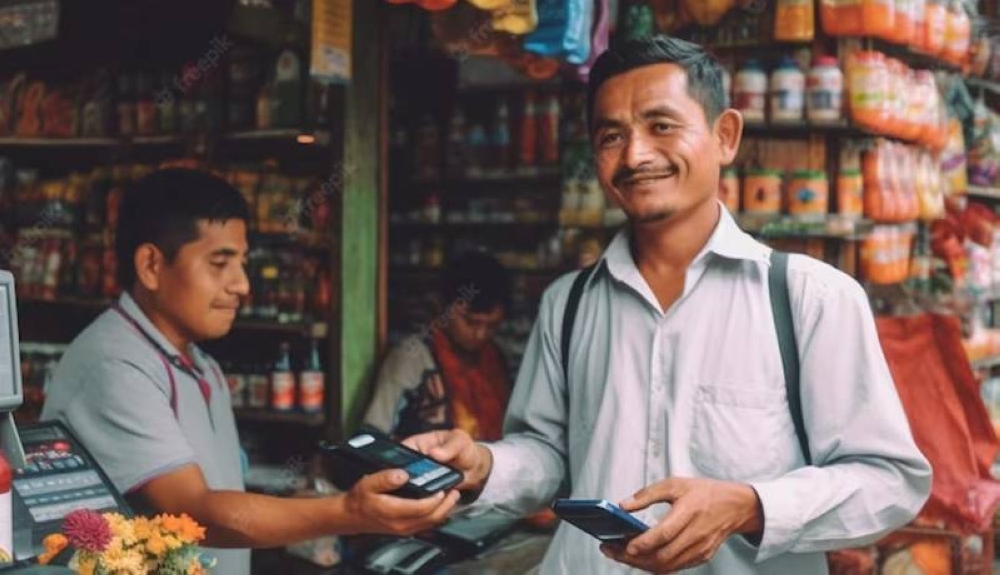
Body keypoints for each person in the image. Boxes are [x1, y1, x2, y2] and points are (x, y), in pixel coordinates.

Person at [404, 36, 933, 575]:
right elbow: (551, 456)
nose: (635, 155)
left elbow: (889, 480)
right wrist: (483, 464)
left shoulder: (811, 299)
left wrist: (750, 506)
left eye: (661, 126)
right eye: (612, 136)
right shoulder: (568, 304)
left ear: (725, 136)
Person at [41, 169, 459, 575]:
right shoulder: (115, 366)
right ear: (151, 265)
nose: (242, 285)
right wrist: (349, 512)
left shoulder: (203, 366)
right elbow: (201, 511)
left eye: (242, 262)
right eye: (220, 263)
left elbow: (228, 493)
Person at [364, 251, 513, 442]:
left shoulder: (496, 358)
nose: (480, 335)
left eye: (492, 325)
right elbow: (372, 436)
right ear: (442, 307)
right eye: (471, 322)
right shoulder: (412, 358)